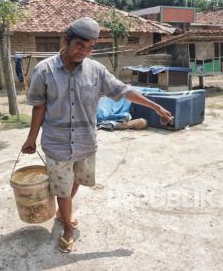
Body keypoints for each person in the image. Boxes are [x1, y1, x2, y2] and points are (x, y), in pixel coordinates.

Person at [21, 17, 174, 253]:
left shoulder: (96, 71)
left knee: (75, 183)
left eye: (90, 47)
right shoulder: (44, 70)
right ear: (65, 41)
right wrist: (31, 138)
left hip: (85, 141)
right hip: (57, 142)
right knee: (62, 187)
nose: (84, 52)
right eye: (80, 45)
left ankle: (63, 214)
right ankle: (68, 229)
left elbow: (124, 91)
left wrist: (155, 106)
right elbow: (38, 106)